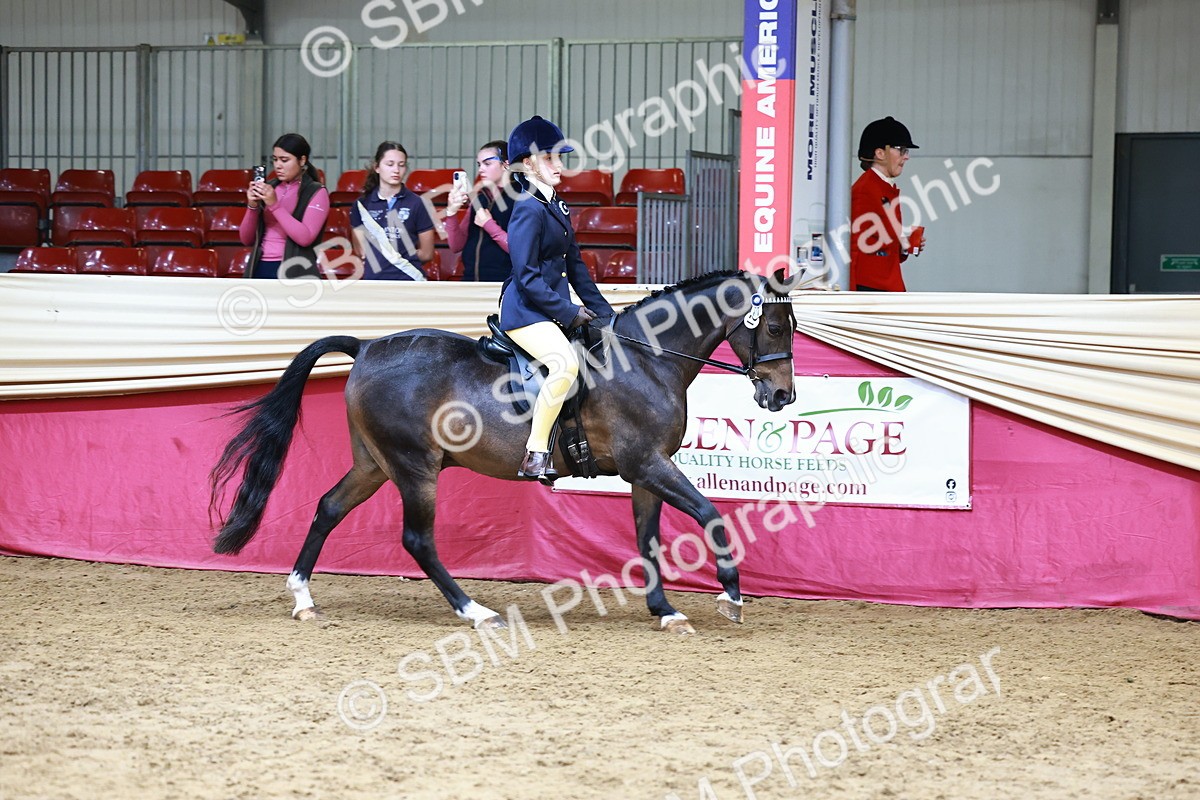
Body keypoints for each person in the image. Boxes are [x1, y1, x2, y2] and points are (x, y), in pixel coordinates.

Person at [499, 115, 615, 481]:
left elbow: (577, 268)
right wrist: (568, 312)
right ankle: (535, 453)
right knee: (565, 364)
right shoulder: (527, 208)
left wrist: (607, 316)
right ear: (529, 163)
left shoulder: (556, 206)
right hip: (525, 311)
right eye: (551, 158)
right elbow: (526, 276)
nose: (561, 165)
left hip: (548, 308)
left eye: (560, 157)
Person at [240, 133, 330, 279]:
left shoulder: (316, 192)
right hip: (260, 266)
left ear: (302, 160)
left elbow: (305, 237)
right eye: (275, 159)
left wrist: (275, 206)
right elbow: (246, 239)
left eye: (285, 160)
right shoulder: (269, 188)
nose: (278, 165)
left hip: (295, 269)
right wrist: (252, 206)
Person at [849, 116, 922, 292]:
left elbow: (879, 243)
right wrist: (849, 294)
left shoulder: (882, 187)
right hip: (871, 289)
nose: (906, 157)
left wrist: (904, 245)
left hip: (882, 287)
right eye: (901, 150)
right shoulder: (866, 189)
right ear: (880, 153)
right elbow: (854, 247)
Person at [350, 141, 435, 280]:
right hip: (374, 282)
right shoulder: (361, 205)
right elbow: (361, 251)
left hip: (408, 279)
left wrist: (400, 259)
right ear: (377, 167)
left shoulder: (418, 203)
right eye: (390, 164)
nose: (396, 170)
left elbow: (427, 254)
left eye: (401, 165)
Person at [443, 140, 513, 282]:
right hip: (471, 281)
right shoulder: (480, 199)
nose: (481, 169)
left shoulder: (522, 199)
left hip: (505, 284)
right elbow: (456, 246)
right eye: (479, 164)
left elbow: (520, 250)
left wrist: (489, 224)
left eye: (487, 164)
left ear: (506, 164)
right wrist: (451, 213)